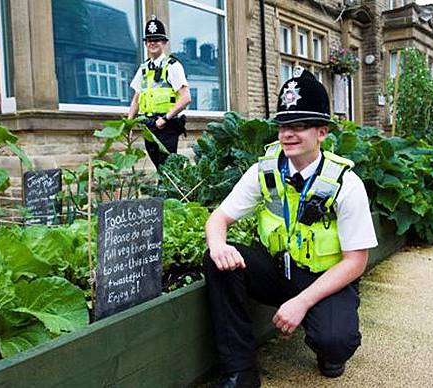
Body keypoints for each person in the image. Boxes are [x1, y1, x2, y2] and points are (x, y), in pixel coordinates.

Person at [203, 67, 378, 388]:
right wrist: (218, 245)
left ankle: (328, 348)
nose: (288, 134)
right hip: (276, 271)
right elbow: (219, 218)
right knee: (218, 262)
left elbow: (357, 261)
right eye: (283, 125)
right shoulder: (264, 171)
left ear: (322, 132)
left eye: (300, 126)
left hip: (324, 277)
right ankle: (239, 372)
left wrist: (303, 302)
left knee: (334, 340)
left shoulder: (345, 184)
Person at [128, 16, 192, 169]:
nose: (152, 43)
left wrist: (165, 118)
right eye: (149, 40)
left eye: (156, 39)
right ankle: (165, 192)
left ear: (163, 42)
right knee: (159, 167)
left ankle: (171, 193)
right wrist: (128, 124)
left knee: (168, 168)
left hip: (166, 126)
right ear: (145, 44)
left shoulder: (172, 66)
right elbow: (136, 99)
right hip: (149, 126)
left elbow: (186, 98)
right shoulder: (143, 68)